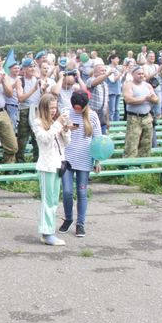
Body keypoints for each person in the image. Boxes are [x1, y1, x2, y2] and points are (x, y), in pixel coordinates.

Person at [58, 91, 101, 238]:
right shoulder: (66, 112)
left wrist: (98, 160)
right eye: (74, 107)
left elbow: (97, 139)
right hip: (67, 158)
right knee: (67, 191)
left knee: (82, 192)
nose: (77, 110)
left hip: (84, 159)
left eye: (79, 108)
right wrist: (65, 128)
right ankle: (68, 218)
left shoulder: (92, 116)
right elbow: (57, 133)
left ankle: (80, 223)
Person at [32, 94, 71, 246]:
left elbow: (66, 143)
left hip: (58, 164)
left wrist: (65, 129)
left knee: (54, 200)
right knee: (47, 201)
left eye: (55, 107)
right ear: (44, 108)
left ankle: (49, 231)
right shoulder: (37, 123)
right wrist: (58, 125)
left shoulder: (55, 123)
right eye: (51, 108)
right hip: (46, 166)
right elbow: (45, 139)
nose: (54, 111)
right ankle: (47, 233)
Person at [123, 66, 159, 158]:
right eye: (139, 74)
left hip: (147, 117)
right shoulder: (128, 85)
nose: (141, 75)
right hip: (134, 118)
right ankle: (130, 162)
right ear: (133, 75)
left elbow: (156, 99)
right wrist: (145, 98)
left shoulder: (148, 85)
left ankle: (143, 162)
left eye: (142, 74)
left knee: (146, 142)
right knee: (132, 143)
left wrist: (151, 99)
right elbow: (128, 100)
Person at [86, 61, 110, 134]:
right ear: (95, 72)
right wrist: (107, 74)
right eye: (102, 71)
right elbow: (94, 83)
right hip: (92, 115)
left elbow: (106, 103)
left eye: (105, 70)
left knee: (102, 137)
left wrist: (107, 119)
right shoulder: (90, 80)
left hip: (102, 116)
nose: (104, 72)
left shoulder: (105, 84)